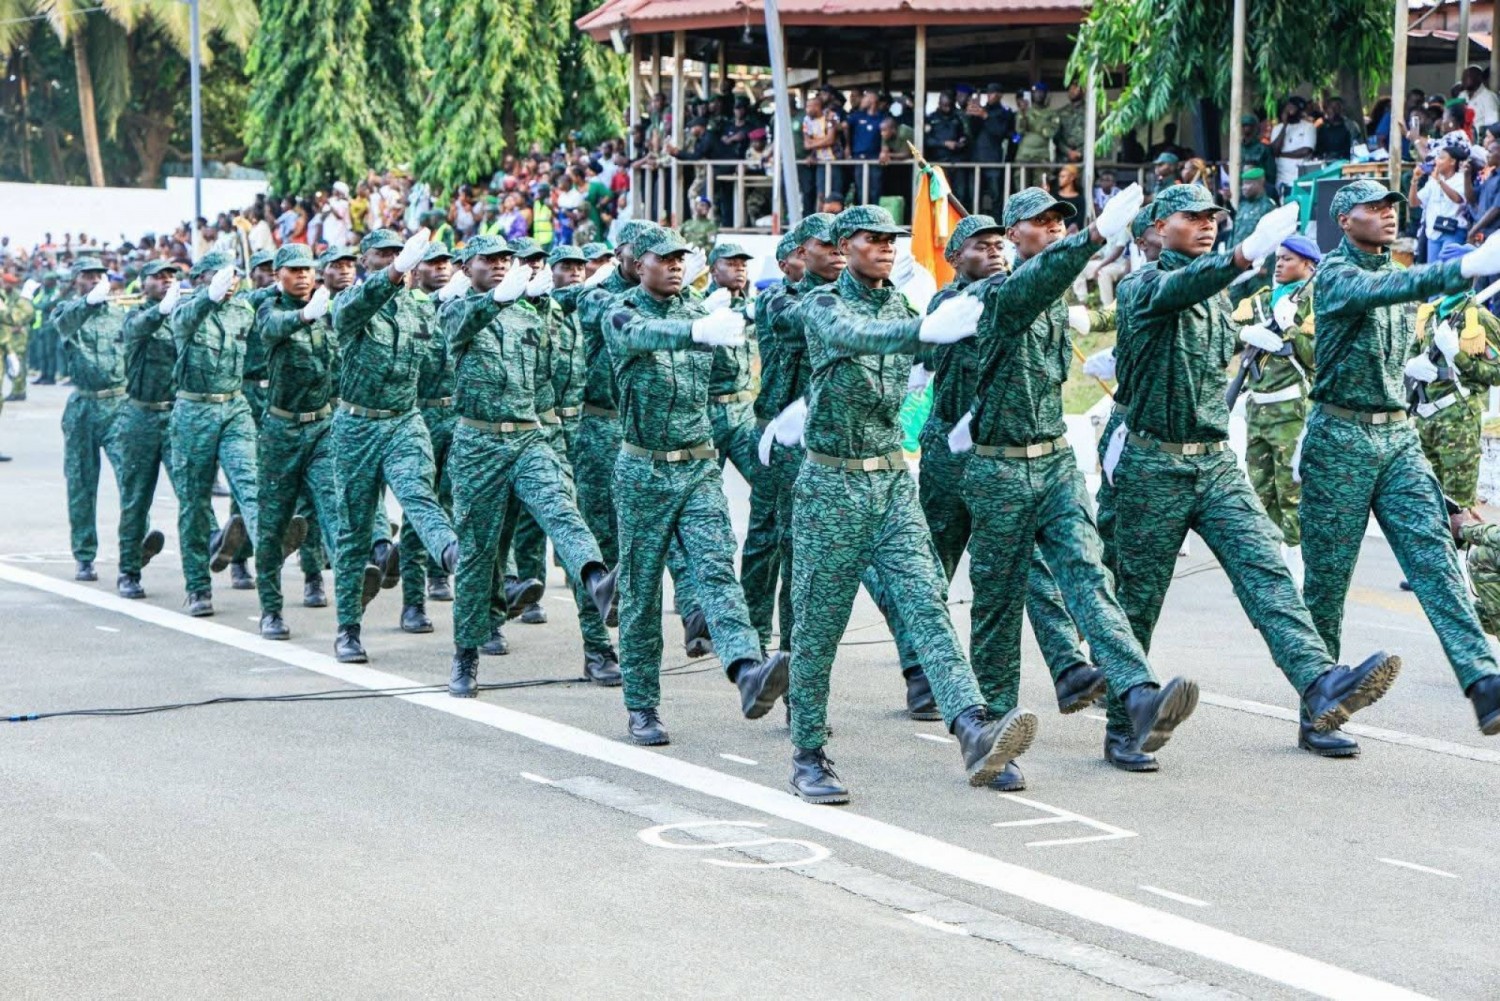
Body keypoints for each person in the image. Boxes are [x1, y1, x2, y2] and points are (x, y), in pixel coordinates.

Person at [1111, 182, 1402, 753]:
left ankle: (1319, 684)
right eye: (1191, 218)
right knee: (1138, 600)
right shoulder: (1142, 284)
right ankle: (1126, 724)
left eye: (1213, 217)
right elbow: (1182, 288)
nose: (1207, 224)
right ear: (1158, 227)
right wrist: (1242, 256)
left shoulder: (1220, 293)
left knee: (1268, 572)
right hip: (1154, 464)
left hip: (1214, 461)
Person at [1303, 179, 1500, 737]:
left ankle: (1483, 681)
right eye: (1373, 207)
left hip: (1397, 438)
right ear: (1344, 220)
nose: (1388, 214)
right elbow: (1383, 289)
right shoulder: (1338, 277)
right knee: (1326, 585)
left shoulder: (1394, 274)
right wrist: (1461, 268)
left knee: (1434, 560)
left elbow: (1399, 299)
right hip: (1340, 437)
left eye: (1392, 206)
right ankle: (1318, 709)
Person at [915, 213, 1110, 756]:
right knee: (934, 566)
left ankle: (1068, 666)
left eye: (998, 242)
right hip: (951, 450)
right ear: (955, 258)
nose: (994, 251)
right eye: (979, 246)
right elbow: (942, 360)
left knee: (1027, 567)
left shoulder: (1018, 296)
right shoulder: (949, 305)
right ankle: (922, 663)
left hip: (1002, 453)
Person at [601, 225, 788, 744]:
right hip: (644, 470)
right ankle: (642, 705)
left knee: (715, 569)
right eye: (664, 258)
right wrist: (696, 332)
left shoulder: (703, 311)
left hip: (699, 464)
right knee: (639, 593)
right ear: (639, 265)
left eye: (681, 257)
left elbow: (734, 374)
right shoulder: (620, 311)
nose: (676, 265)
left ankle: (746, 668)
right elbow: (632, 336)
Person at [442, 234, 617, 698]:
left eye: (505, 258)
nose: (500, 265)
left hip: (529, 436)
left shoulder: (529, 311)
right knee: (479, 554)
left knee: (563, 511)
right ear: (467, 265)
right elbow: (458, 325)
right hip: (478, 442)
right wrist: (497, 299)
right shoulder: (456, 309)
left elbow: (554, 370)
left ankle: (598, 585)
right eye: (489, 259)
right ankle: (466, 654)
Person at [554, 220, 709, 658]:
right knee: (605, 540)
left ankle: (695, 613)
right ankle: (597, 647)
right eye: (628, 249)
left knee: (678, 532)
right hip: (600, 429)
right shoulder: (598, 295)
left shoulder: (670, 298)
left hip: (651, 429)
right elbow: (578, 302)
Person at [328, 228, 461, 664]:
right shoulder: (351, 303)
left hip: (405, 420)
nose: (391, 260)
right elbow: (350, 311)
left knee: (418, 494)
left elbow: (444, 363)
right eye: (382, 255)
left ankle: (451, 552)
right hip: (356, 426)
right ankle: (348, 628)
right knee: (354, 527)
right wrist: (393, 274)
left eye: (398, 255)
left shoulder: (420, 311)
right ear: (366, 260)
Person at [252, 245, 342, 641]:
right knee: (273, 524)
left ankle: (346, 605)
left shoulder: (331, 310)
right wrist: (305, 315)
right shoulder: (270, 310)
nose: (303, 276)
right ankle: (270, 609)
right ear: (278, 274)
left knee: (335, 509)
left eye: (308, 269)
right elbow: (273, 328)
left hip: (322, 426)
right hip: (281, 431)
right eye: (294, 270)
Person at [1230, 236, 1320, 602]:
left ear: (1309, 266)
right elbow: (1230, 341)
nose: (1279, 264)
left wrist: (1293, 329)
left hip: (1292, 411)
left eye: (1289, 259)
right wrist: (1243, 333)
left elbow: (1316, 358)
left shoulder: (1314, 303)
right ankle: (1270, 571)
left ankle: (1297, 567)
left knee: (1292, 492)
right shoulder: (1261, 300)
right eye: (1278, 258)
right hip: (1258, 408)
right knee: (1260, 489)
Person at [395, 240, 462, 632]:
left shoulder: (456, 305)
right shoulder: (411, 308)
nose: (440, 269)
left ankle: (440, 572)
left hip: (455, 413)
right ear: (415, 270)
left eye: (446, 263)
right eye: (432, 263)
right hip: (419, 412)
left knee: (453, 501)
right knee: (418, 506)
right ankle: (412, 602)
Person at [1406, 242, 1500, 520]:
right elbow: (1410, 354)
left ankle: (1460, 560)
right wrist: (1412, 366)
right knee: (1423, 501)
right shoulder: (1430, 314)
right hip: (1424, 415)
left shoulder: (1479, 319)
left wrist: (1456, 355)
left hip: (1458, 419)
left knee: (1456, 506)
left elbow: (1496, 372)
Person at [51, 259, 129, 583]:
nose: (95, 280)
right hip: (83, 405)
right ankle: (84, 555)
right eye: (88, 276)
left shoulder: (120, 315)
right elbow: (65, 324)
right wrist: (89, 301)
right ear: (76, 281)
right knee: (82, 485)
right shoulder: (65, 312)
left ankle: (135, 549)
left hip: (118, 405)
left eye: (99, 275)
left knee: (133, 478)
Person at [111, 260, 181, 599]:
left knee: (190, 492)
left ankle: (213, 549)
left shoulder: (181, 315)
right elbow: (138, 327)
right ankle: (129, 569)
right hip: (139, 416)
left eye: (171, 275)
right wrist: (163, 310)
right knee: (136, 498)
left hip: (176, 415)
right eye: (159, 276)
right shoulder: (135, 315)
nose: (167, 280)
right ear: (144, 284)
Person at [1411, 142, 1474, 263]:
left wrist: (1439, 181)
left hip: (1453, 231)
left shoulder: (1460, 179)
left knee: (1447, 272)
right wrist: (1414, 181)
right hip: (1433, 232)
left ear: (1452, 162)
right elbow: (1414, 203)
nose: (1437, 160)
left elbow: (1457, 199)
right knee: (1434, 274)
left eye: (1441, 157)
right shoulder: (1432, 181)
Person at [924, 90, 971, 207]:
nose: (947, 108)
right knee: (940, 195)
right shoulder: (931, 118)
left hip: (957, 162)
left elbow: (967, 135)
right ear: (939, 104)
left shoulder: (958, 117)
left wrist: (962, 141)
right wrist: (944, 143)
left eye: (949, 105)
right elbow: (926, 141)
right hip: (938, 162)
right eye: (944, 105)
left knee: (959, 195)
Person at [1270, 97, 1317, 197]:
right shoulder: (1277, 128)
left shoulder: (1308, 127)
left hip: (1299, 178)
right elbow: (1274, 150)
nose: (1290, 111)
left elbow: (1305, 151)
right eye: (1289, 107)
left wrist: (1282, 154)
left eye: (1294, 108)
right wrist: (1285, 125)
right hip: (1281, 178)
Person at [846, 88, 884, 204]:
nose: (863, 100)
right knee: (860, 190)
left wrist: (885, 150)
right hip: (859, 158)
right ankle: (862, 218)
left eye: (866, 97)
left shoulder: (882, 117)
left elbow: (888, 135)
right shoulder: (857, 116)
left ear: (872, 100)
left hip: (875, 158)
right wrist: (847, 146)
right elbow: (843, 126)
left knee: (875, 190)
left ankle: (874, 219)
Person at [1014, 83, 1060, 164]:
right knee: (1021, 176)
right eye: (1035, 92)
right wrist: (1022, 114)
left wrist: (1034, 126)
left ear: (1046, 94)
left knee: (1043, 177)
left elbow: (1050, 133)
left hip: (1042, 155)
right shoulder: (1025, 111)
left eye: (1041, 92)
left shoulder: (1051, 113)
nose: (1038, 95)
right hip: (1024, 154)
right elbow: (1020, 131)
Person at [1056, 82, 1087, 163]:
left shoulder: (1091, 112)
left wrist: (1080, 152)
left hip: (1086, 157)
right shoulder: (1060, 112)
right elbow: (1056, 137)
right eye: (1070, 89)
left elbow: (1096, 135)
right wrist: (1068, 152)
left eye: (1075, 88)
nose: (1072, 91)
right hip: (1064, 158)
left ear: (1083, 91)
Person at [1462, 66, 1500, 131]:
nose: (1463, 79)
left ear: (1479, 78)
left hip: (1478, 139)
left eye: (1467, 76)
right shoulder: (1462, 95)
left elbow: (1492, 125)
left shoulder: (1488, 97)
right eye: (1463, 76)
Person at [1240, 115, 1275, 182]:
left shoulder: (1264, 148)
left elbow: (1271, 174)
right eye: (1243, 125)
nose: (1245, 128)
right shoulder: (1238, 149)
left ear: (1255, 128)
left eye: (1248, 125)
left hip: (1259, 186)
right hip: (1241, 186)